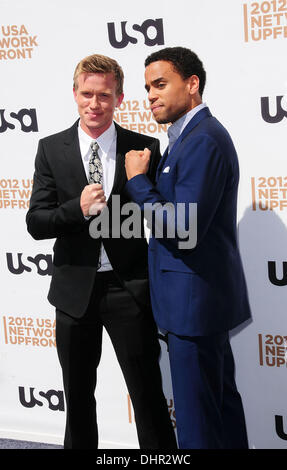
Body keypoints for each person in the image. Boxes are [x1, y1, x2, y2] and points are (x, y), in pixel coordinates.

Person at [26, 54, 176, 450]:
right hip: (74, 293)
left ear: (119, 98)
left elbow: (163, 217)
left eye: (104, 95)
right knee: (77, 399)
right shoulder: (50, 149)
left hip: (129, 290)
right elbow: (36, 222)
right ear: (74, 94)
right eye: (87, 94)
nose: (95, 104)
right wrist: (75, 208)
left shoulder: (143, 148)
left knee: (147, 396)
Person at [125, 46, 251, 449]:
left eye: (160, 84)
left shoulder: (202, 141)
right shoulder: (187, 139)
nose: (151, 96)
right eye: (147, 88)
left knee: (198, 422)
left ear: (192, 84)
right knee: (217, 406)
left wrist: (137, 182)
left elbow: (183, 228)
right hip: (196, 301)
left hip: (193, 305)